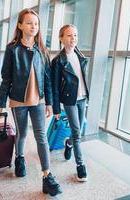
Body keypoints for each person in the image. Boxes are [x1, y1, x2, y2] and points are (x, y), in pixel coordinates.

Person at [0, 8, 61, 196]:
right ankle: (20, 158)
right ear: (20, 25)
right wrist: (0, 103)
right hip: (18, 100)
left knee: (41, 137)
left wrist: (49, 103)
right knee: (22, 133)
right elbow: (6, 78)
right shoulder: (12, 49)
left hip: (38, 100)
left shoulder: (42, 50)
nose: (34, 26)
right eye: (30, 23)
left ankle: (47, 176)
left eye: (36, 23)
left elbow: (47, 79)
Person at [51, 24, 89, 182]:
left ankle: (69, 143)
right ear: (61, 38)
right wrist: (55, 108)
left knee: (78, 131)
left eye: (75, 35)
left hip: (82, 98)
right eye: (69, 35)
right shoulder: (58, 61)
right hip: (69, 100)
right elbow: (54, 86)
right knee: (77, 133)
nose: (73, 38)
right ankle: (80, 166)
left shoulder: (80, 56)